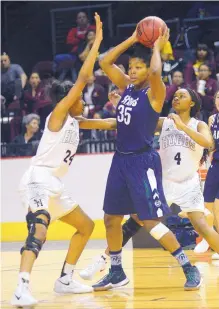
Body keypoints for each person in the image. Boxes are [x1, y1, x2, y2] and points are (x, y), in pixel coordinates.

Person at [11, 13, 116, 308]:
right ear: (68, 99)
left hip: (55, 183)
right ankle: (21, 287)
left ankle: (66, 278)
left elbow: (108, 123)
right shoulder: (58, 114)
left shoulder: (76, 121)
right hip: (38, 178)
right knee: (40, 226)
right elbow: (83, 76)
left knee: (85, 226)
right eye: (77, 97)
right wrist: (96, 40)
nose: (82, 98)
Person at [90, 26, 203, 292]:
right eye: (131, 67)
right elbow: (104, 61)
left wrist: (155, 46)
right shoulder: (127, 88)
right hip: (120, 160)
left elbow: (155, 72)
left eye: (138, 67)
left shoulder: (155, 93)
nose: (132, 71)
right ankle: (116, 271)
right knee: (110, 218)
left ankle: (189, 266)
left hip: (143, 162)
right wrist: (132, 39)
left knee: (151, 222)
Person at [79, 89, 219, 280]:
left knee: (203, 227)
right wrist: (86, 121)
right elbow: (119, 124)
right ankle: (104, 259)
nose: (176, 98)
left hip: (189, 183)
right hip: (164, 182)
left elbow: (208, 143)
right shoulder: (163, 122)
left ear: (192, 103)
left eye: (182, 96)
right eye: (175, 95)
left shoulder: (199, 124)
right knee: (135, 220)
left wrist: (182, 126)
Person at [204, 90, 219, 260]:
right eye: (218, 97)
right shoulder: (212, 119)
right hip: (215, 164)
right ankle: (214, 242)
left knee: (217, 206)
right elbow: (210, 144)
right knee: (207, 205)